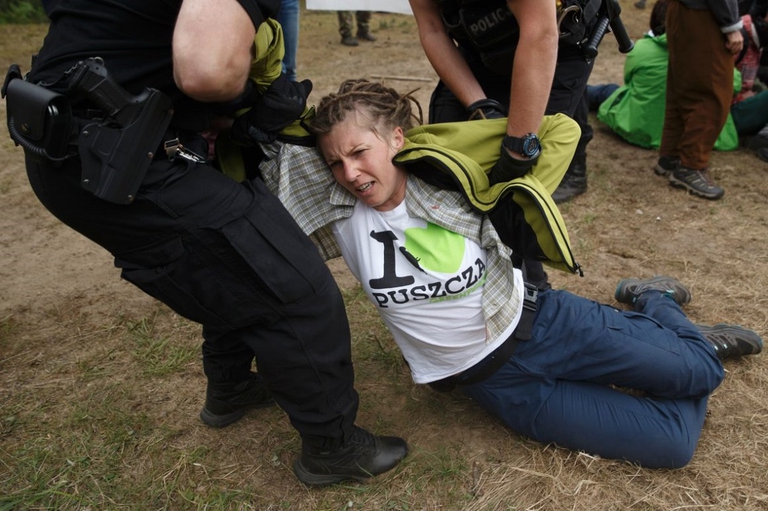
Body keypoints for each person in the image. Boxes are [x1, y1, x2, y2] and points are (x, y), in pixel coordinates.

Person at [257, 79, 763, 468]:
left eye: (359, 152)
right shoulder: (337, 207)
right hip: (498, 385)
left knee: (701, 373)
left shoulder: (453, 183)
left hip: (545, 326)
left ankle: (657, 302)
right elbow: (277, 142)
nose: (349, 172)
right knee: (673, 445)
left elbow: (549, 133)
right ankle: (669, 344)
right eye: (336, 161)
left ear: (395, 138)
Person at [3, 0, 407, 487]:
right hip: (120, 156)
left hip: (80, 147)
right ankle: (333, 447)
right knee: (296, 288)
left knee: (227, 264)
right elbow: (207, 72)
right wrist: (247, 99)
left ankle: (231, 388)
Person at [408, 0, 603, 205]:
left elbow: (539, 34)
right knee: (444, 169)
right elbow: (432, 29)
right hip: (481, 44)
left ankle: (574, 170)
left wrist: (517, 149)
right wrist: (479, 106)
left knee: (516, 193)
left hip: (557, 38)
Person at [589, 0, 740, 152]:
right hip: (700, 136)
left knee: (610, 91)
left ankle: (582, 95)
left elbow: (629, 79)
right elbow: (735, 84)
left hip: (637, 126)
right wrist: (731, 27)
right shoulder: (710, 60)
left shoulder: (642, 49)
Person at [655, 0, 744, 200]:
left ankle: (671, 155)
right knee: (712, 95)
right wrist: (731, 25)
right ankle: (690, 165)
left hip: (682, 10)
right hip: (704, 15)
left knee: (682, 85)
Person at [276, 0, 300, 82]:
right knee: (274, 67)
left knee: (290, 69)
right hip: (259, 3)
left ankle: (291, 94)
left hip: (288, 2)